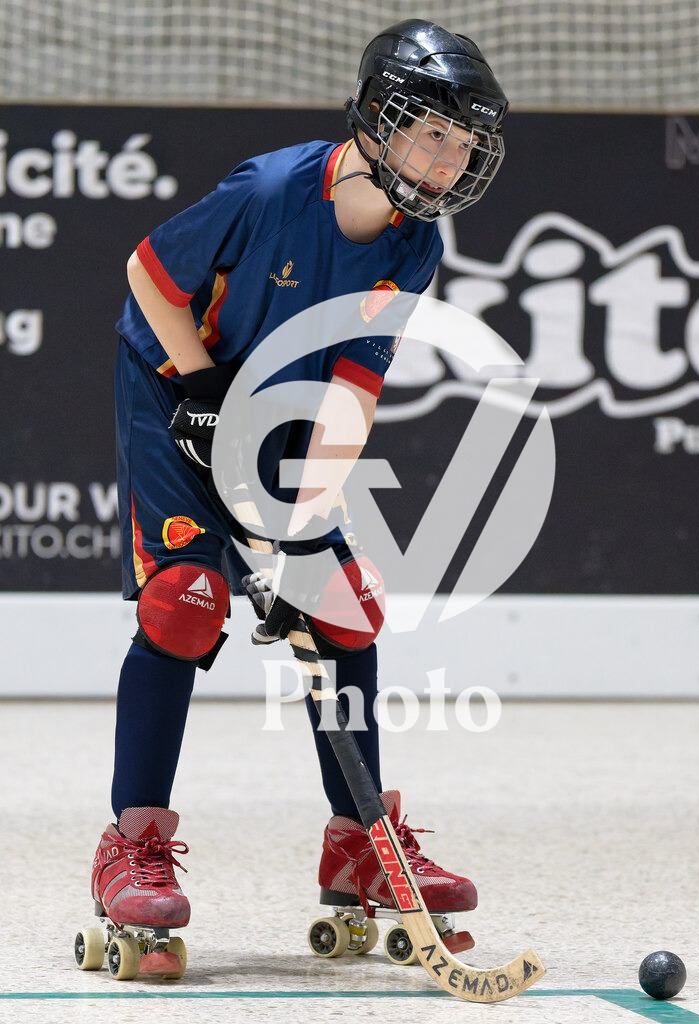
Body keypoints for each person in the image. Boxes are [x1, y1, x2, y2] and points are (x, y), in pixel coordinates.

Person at [88, 18, 508, 965]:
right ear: (375, 118)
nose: (447, 162)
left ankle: (357, 841)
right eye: (431, 134)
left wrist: (300, 534)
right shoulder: (272, 188)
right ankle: (134, 847)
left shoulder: (413, 246)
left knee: (342, 608)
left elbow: (352, 398)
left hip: (280, 406)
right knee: (187, 602)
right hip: (171, 380)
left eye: (462, 144)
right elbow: (147, 279)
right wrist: (198, 392)